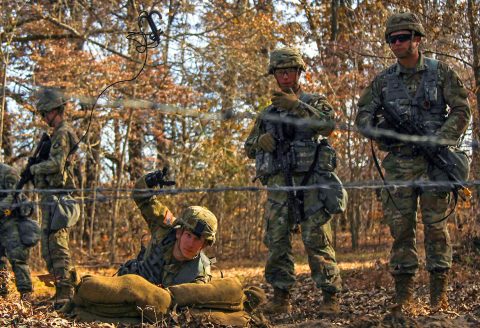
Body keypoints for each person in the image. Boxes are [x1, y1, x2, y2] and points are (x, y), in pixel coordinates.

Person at [355, 12, 471, 313]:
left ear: (417, 39)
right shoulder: (382, 82)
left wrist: (439, 140)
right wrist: (384, 131)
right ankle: (404, 299)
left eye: (402, 38)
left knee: (436, 229)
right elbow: (363, 118)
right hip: (399, 166)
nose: (396, 43)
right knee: (401, 230)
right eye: (392, 39)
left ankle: (437, 298)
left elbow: (461, 110)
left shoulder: (441, 72)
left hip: (434, 163)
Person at [245, 47, 346, 315]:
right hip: (279, 184)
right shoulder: (267, 113)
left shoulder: (315, 100)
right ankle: (280, 296)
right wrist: (259, 141)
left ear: (300, 72)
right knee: (277, 240)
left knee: (317, 239)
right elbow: (248, 146)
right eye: (280, 71)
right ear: (274, 75)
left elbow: (327, 125)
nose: (285, 76)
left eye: (290, 70)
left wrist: (298, 107)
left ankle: (330, 296)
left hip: (312, 181)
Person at [117, 169, 217, 287]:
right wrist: (148, 181)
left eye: (197, 240)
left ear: (204, 244)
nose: (190, 243)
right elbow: (142, 198)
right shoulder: (165, 227)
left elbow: (191, 300)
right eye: (188, 235)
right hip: (133, 286)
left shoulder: (199, 272)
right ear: (179, 232)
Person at [30, 88, 80, 309]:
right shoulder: (58, 133)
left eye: (44, 114)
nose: (43, 118)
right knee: (48, 247)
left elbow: (56, 165)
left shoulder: (62, 132)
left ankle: (66, 294)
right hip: (52, 198)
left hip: (59, 198)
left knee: (57, 245)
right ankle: (62, 290)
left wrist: (34, 169)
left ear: (53, 110)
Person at [0, 164, 36, 302]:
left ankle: (26, 294)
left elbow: (16, 197)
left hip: (10, 221)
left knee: (18, 258)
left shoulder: (7, 172)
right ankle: (2, 294)